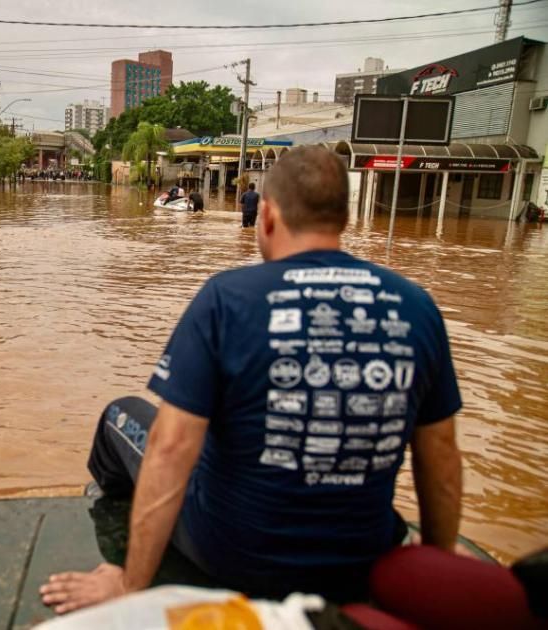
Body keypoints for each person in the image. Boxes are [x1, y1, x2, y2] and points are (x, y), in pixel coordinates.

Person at [40, 145, 463, 613]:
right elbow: (440, 459)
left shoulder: (227, 298)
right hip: (361, 562)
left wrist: (130, 587)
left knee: (120, 415)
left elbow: (170, 448)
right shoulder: (417, 305)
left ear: (265, 216)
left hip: (233, 557)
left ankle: (111, 513)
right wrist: (439, 578)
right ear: (343, 220)